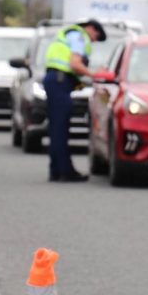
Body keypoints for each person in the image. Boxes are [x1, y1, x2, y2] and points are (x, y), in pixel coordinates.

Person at [43, 19, 107, 182]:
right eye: (95, 36)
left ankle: (56, 170)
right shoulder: (78, 36)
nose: (93, 41)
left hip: (56, 80)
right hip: (59, 82)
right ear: (91, 28)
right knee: (60, 129)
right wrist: (94, 74)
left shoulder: (69, 34)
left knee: (57, 128)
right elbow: (75, 64)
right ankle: (65, 171)